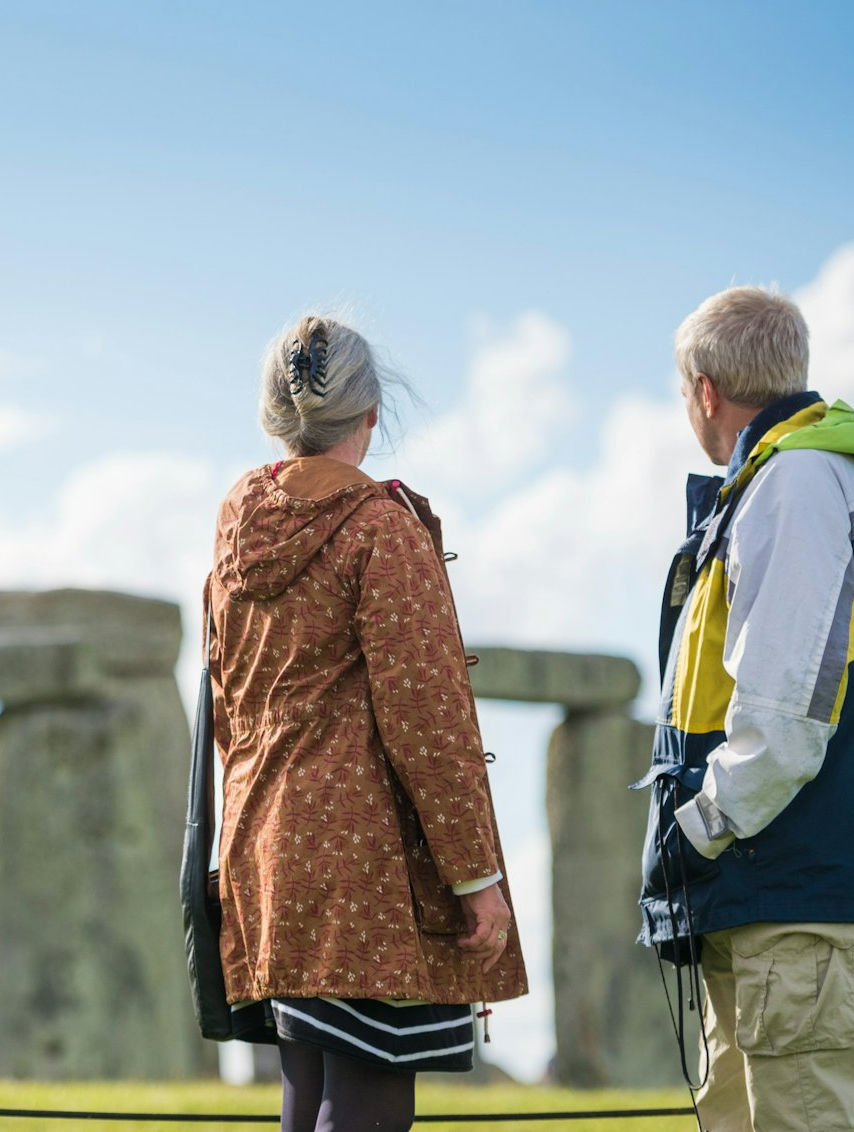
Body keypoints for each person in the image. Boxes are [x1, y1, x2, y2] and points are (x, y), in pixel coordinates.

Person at [207, 314, 527, 1132]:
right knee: (367, 1113)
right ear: (372, 415)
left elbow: (224, 697)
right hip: (367, 871)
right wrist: (476, 879)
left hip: (266, 855)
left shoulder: (238, 520)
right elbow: (428, 717)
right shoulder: (380, 528)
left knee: (306, 1101)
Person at [636, 286, 854, 1132]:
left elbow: (785, 713)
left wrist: (696, 828)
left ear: (705, 389)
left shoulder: (795, 484)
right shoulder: (787, 482)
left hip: (780, 877)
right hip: (756, 883)